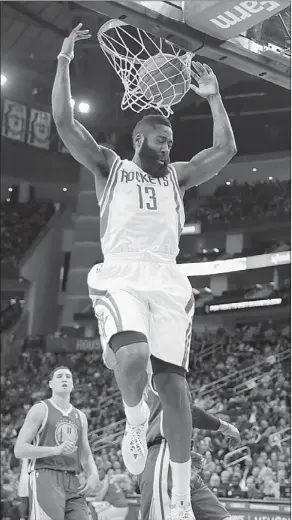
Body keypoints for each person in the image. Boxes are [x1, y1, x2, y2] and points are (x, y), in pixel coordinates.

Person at [52, 23, 236, 520]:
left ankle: (178, 496)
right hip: (122, 273)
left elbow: (224, 152)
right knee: (131, 358)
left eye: (170, 139)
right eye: (159, 138)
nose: (166, 144)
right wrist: (64, 63)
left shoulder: (178, 175)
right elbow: (66, 124)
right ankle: (135, 421)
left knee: (176, 389)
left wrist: (215, 98)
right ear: (138, 137)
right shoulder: (110, 167)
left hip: (167, 277)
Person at [138, 375, 241, 520]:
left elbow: (172, 418)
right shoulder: (164, 368)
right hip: (161, 461)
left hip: (176, 458)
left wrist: (184, 451)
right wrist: (227, 428)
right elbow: (187, 412)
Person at [14, 366, 99, 520]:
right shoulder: (40, 409)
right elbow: (19, 449)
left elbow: (85, 453)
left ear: (73, 385)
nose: (64, 379)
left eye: (68, 376)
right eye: (59, 376)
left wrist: (93, 473)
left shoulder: (81, 416)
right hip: (45, 475)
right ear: (50, 384)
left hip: (73, 479)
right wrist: (55, 450)